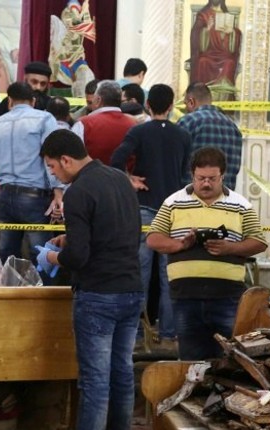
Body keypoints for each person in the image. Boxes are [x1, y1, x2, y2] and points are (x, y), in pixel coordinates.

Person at [37, 129, 144, 429]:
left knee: (95, 382)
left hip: (98, 295)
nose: (53, 174)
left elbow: (78, 259)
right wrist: (68, 239)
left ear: (66, 160)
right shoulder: (120, 180)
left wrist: (52, 257)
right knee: (122, 375)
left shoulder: (78, 192)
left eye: (52, 166)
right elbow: (119, 234)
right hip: (131, 288)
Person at [146, 147, 267, 360]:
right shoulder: (173, 202)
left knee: (229, 360)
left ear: (223, 176)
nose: (206, 183)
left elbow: (259, 242)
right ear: (192, 175)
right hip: (185, 297)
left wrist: (230, 248)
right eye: (201, 178)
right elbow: (153, 239)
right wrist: (181, 245)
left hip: (227, 297)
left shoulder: (241, 205)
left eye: (212, 178)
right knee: (190, 360)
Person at [110, 83, 191, 348]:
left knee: (140, 274)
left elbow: (116, 159)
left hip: (144, 209)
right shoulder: (183, 135)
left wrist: (128, 178)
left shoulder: (139, 131)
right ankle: (168, 335)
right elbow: (184, 174)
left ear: (147, 105)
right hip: (173, 211)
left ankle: (134, 334)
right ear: (171, 106)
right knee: (169, 278)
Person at [0, 82, 61, 263]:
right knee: (41, 256)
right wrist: (58, 191)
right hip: (35, 197)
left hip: (5, 196)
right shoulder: (44, 119)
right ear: (32, 101)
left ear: (10, 102)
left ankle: (10, 290)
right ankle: (43, 292)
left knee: (8, 256)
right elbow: (52, 157)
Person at [177, 81, 243, 190]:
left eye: (185, 104)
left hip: (191, 199)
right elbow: (235, 168)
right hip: (224, 201)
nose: (186, 109)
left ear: (191, 102)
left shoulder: (187, 122)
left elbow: (175, 163)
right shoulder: (233, 128)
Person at [71, 80, 136, 165]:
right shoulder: (133, 125)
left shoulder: (83, 124)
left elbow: (72, 158)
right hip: (125, 177)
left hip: (91, 177)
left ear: (98, 100)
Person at [189, 0, 242, 91]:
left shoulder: (227, 15)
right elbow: (195, 34)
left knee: (229, 62)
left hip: (224, 54)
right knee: (202, 61)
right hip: (209, 52)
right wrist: (206, 30)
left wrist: (231, 32)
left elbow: (237, 35)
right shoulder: (203, 15)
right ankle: (202, 93)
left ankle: (224, 96)